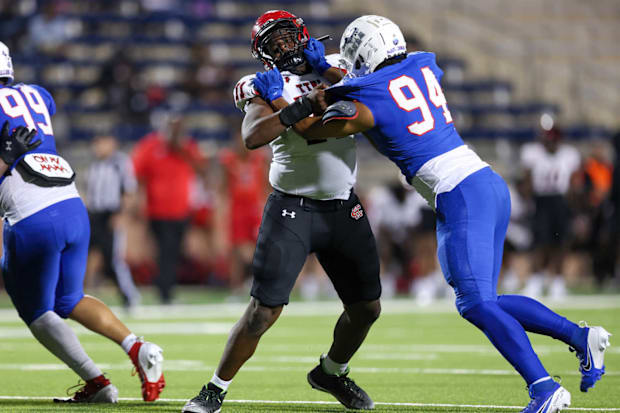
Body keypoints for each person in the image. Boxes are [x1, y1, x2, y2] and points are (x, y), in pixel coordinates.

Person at [278, 16, 611, 413]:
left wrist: (282, 98)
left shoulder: (367, 99)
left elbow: (312, 129)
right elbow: (365, 80)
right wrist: (330, 69)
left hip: (461, 194)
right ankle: (580, 336)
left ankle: (544, 388)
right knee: (483, 300)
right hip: (484, 182)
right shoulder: (420, 63)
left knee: (476, 304)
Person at [182, 10, 382, 413]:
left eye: (288, 37)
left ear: (304, 35)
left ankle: (331, 371)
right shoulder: (261, 85)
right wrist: (290, 106)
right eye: (274, 44)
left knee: (366, 308)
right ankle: (215, 389)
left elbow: (373, 98)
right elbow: (253, 136)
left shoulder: (338, 67)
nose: (284, 47)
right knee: (263, 311)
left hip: (343, 205)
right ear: (262, 54)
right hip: (293, 208)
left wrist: (326, 69)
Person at [0, 41, 165, 403]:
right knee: (69, 298)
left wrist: (7, 155)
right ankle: (137, 347)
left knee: (36, 309)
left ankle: (97, 382)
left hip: (32, 217)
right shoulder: (36, 94)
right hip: (73, 206)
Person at [132, 112, 206, 304]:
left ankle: (166, 289)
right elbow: (138, 175)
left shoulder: (187, 147)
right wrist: (140, 203)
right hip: (158, 210)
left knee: (174, 251)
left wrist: (180, 149)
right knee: (165, 251)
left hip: (181, 209)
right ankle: (165, 292)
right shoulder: (150, 145)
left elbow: (201, 168)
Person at [519, 127, 581, 299]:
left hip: (560, 202)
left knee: (560, 244)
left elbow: (574, 185)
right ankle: (535, 281)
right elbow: (527, 182)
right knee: (539, 244)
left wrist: (574, 208)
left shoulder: (569, 155)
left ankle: (558, 282)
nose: (551, 143)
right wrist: (527, 202)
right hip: (541, 201)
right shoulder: (533, 153)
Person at [85, 134, 141, 310]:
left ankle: (129, 295)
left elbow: (129, 190)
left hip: (111, 214)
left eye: (102, 143)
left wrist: (122, 214)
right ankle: (80, 295)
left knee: (113, 260)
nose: (98, 147)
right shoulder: (95, 165)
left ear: (112, 143)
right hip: (94, 215)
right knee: (83, 255)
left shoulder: (120, 163)